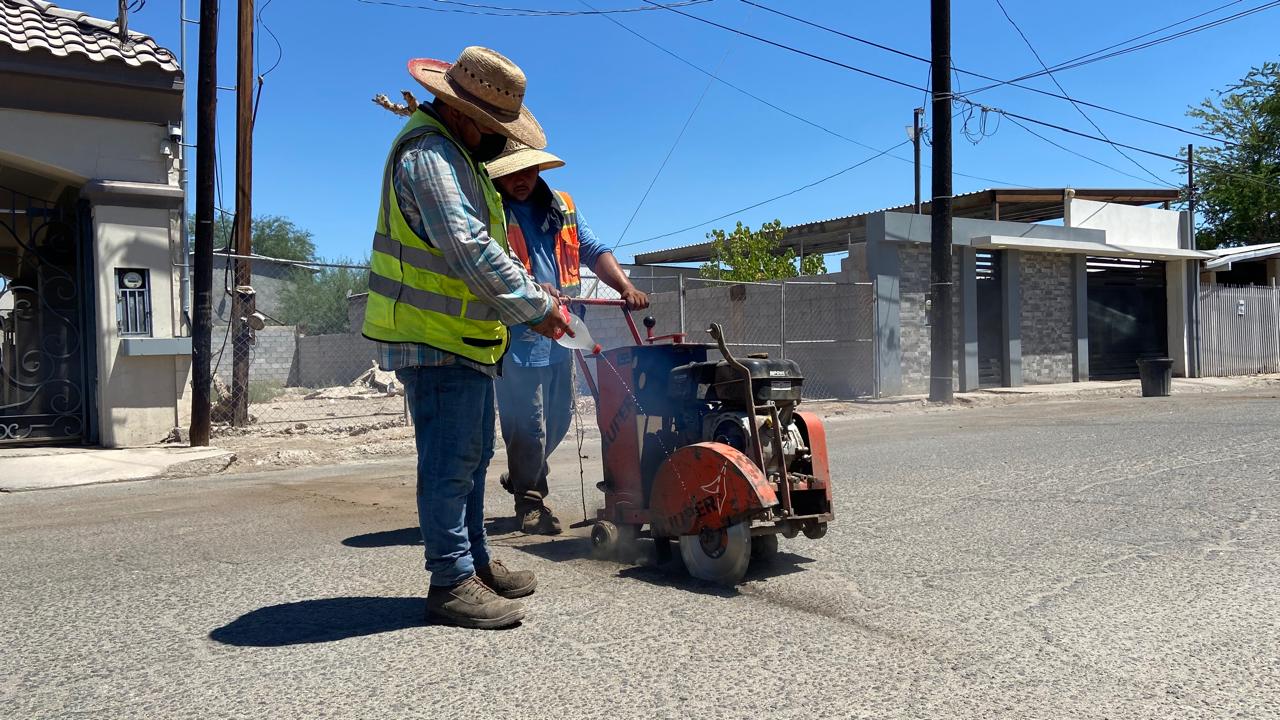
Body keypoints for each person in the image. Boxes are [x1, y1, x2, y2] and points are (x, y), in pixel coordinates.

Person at [361, 47, 571, 629]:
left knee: (474, 458)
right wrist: (536, 308)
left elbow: (488, 245)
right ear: (462, 112)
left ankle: (473, 562)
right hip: (433, 338)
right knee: (450, 462)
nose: (502, 141)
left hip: (466, 338)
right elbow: (469, 248)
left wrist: (530, 293)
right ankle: (451, 581)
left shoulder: (460, 156)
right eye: (495, 127)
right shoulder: (430, 155)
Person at [486, 141, 650, 535]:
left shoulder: (563, 206)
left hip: (563, 331)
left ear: (539, 170)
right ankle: (530, 502)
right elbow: (493, 263)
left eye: (527, 171)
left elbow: (592, 249)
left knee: (559, 417)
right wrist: (532, 288)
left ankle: (523, 472)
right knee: (528, 423)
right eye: (511, 173)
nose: (520, 180)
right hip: (517, 333)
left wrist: (625, 286)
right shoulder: (492, 209)